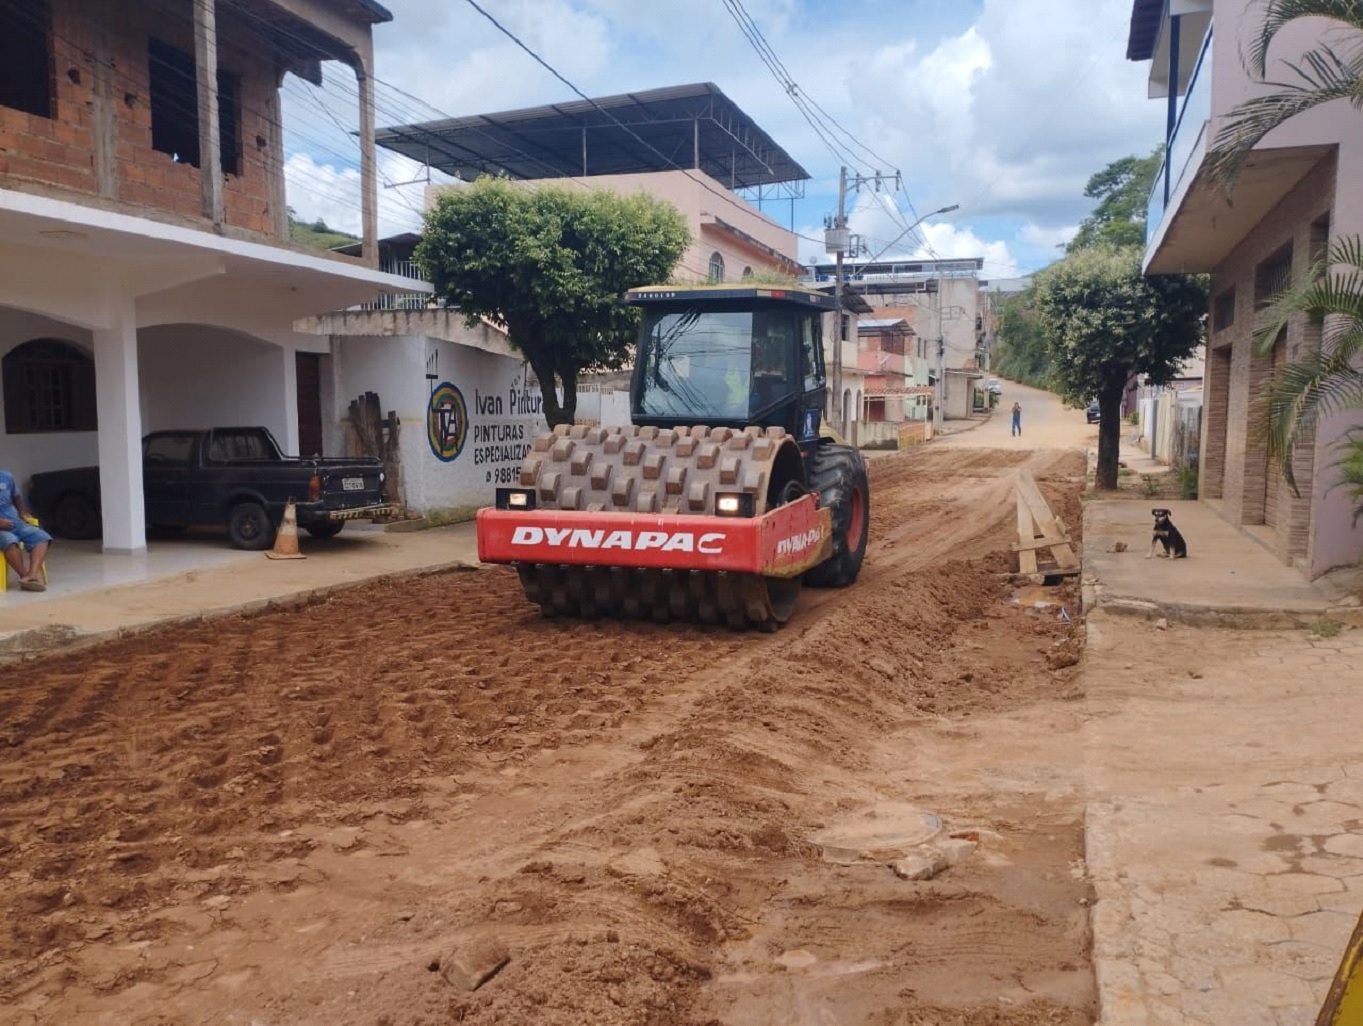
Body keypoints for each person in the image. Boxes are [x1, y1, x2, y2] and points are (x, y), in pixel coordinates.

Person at [0, 469, 51, 592]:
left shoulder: (6, 476)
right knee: (10, 541)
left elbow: (16, 497)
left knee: (42, 537)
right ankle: (24, 576)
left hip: (16, 523)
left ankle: (31, 575)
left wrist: (23, 512)